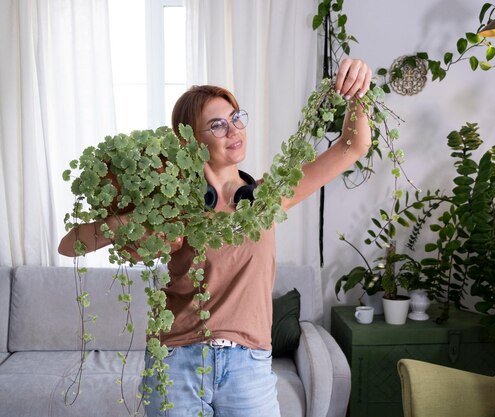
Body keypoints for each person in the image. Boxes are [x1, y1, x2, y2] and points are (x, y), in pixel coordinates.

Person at [58, 58, 372, 417]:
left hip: (249, 365)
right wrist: (132, 221)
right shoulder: (170, 206)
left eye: (237, 118)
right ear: (190, 141)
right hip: (175, 362)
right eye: (218, 125)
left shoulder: (267, 198)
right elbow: (69, 245)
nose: (234, 130)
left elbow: (353, 145)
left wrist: (358, 93)